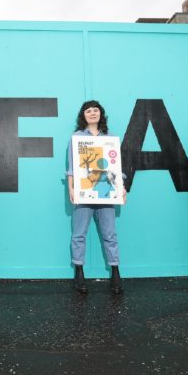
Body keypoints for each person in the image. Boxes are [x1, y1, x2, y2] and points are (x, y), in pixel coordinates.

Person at [66, 100, 125, 295]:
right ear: (83, 115)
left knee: (110, 234)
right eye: (88, 111)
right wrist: (71, 189)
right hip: (84, 192)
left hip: (106, 193)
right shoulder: (76, 138)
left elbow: (116, 168)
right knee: (79, 234)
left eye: (95, 110)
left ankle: (115, 271)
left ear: (101, 114)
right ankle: (79, 271)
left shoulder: (110, 138)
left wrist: (121, 187)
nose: (92, 113)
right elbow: (72, 167)